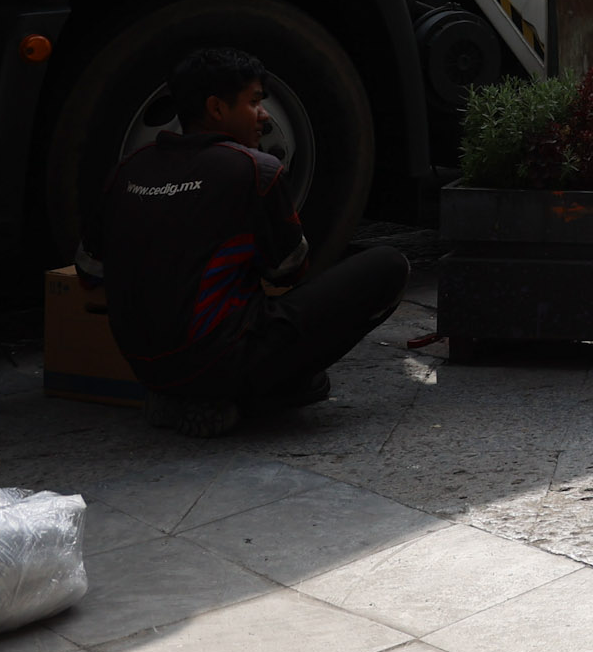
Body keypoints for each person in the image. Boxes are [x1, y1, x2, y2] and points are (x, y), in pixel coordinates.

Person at [79, 46, 410, 437]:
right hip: (219, 362)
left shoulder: (128, 168)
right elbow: (287, 270)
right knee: (388, 265)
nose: (264, 115)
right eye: (254, 102)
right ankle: (241, 396)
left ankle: (182, 395)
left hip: (144, 367)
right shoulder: (254, 167)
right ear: (217, 109)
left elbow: (89, 271)